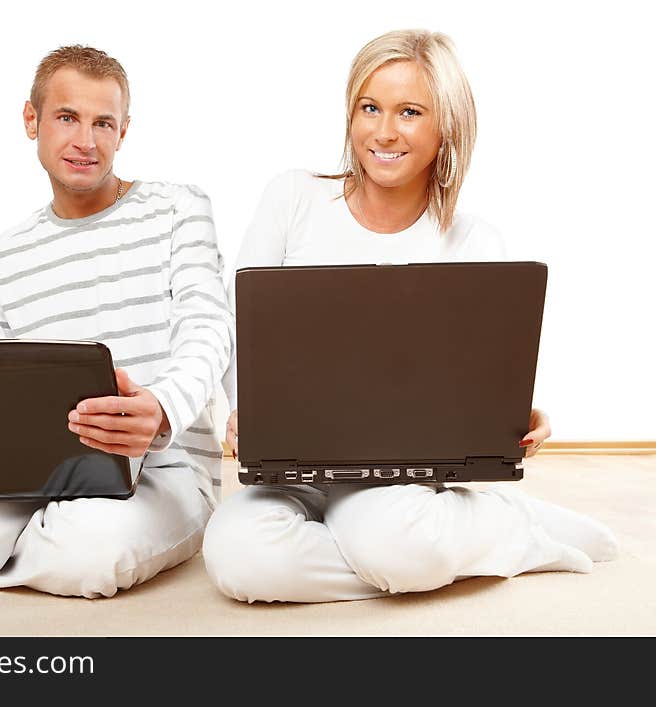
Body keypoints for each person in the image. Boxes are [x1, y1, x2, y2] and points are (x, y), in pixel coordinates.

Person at [202, 30, 618, 603]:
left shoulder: (474, 242)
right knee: (238, 561)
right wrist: (245, 408)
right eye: (369, 108)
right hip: (290, 464)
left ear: (446, 125)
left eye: (410, 112)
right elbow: (238, 327)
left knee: (390, 540)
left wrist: (513, 409)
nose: (384, 131)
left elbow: (480, 375)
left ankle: (487, 533)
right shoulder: (293, 198)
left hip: (400, 475)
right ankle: (424, 557)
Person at [0, 46, 233, 598]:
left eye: (104, 122)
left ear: (123, 131)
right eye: (67, 118)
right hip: (30, 474)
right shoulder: (4, 252)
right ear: (31, 120)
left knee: (90, 556)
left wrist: (160, 410)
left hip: (163, 471)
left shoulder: (180, 208)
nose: (86, 140)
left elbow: (209, 328)